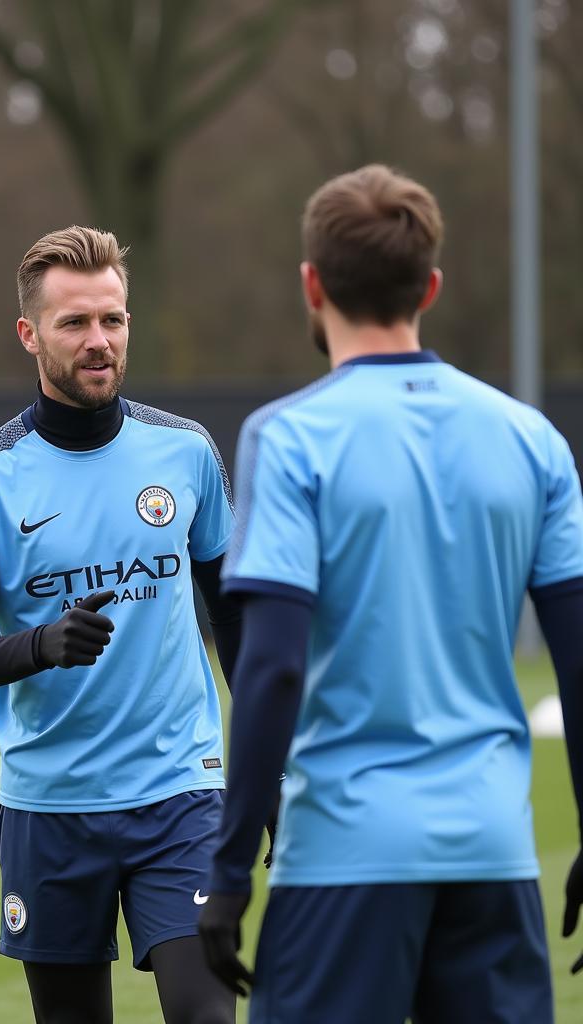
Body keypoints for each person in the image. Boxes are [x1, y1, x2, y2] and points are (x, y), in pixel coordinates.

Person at [198, 164, 583, 1024]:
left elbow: (271, 671)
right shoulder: (533, 440)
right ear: (431, 286)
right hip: (493, 851)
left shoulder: (290, 438)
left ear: (312, 284)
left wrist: (227, 874)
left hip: (345, 853)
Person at [0, 225, 243, 1024]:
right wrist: (41, 646)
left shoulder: (187, 452)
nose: (98, 341)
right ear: (30, 334)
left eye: (113, 320)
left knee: (207, 1015)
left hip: (182, 793)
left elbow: (235, 617)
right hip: (50, 806)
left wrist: (265, 767)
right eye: (75, 323)